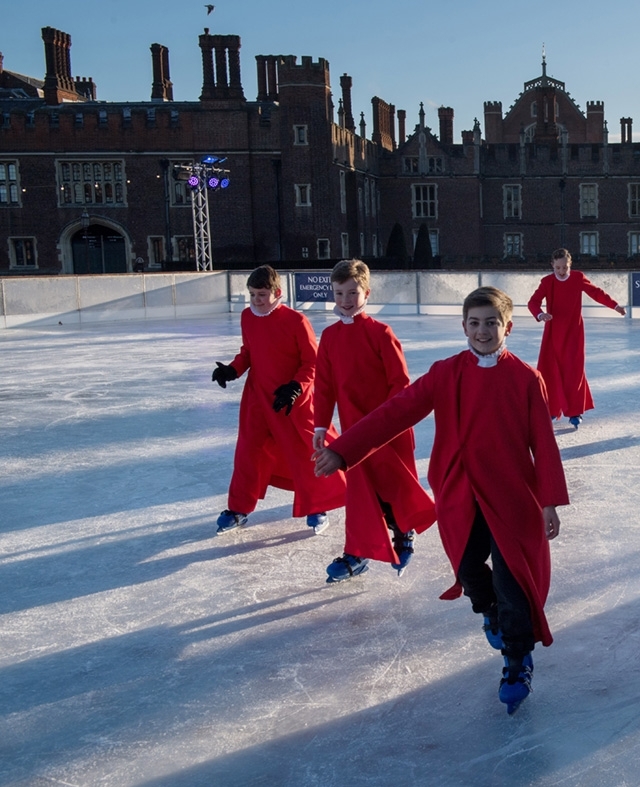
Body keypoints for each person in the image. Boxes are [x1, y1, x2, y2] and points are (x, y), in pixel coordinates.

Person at [313, 287, 568, 714]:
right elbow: (395, 411)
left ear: (507, 326)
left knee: (512, 582)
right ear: (463, 326)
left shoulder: (525, 378)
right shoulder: (446, 372)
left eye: (491, 323)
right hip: (460, 495)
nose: (482, 331)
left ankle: (517, 659)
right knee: (469, 569)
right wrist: (345, 449)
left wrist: (549, 501)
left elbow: (544, 444)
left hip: (511, 498)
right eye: (474, 323)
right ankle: (487, 610)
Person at [313, 260, 436, 582]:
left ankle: (403, 533)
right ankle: (358, 550)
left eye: (352, 292)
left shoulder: (381, 333)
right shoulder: (328, 337)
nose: (346, 299)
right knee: (360, 493)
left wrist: (387, 421)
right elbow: (324, 387)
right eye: (339, 293)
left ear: (365, 293)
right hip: (353, 434)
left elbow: (400, 383)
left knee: (391, 487)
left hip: (388, 431)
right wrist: (321, 426)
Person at [211, 264, 346, 535]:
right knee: (248, 453)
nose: (256, 300)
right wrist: (232, 369)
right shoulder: (248, 317)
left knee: (306, 452)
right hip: (258, 399)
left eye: (261, 294)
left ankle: (318, 506)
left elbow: (312, 361)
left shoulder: (296, 321)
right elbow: (248, 352)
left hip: (293, 400)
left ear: (277, 293)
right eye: (252, 294)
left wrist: (295, 387)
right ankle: (239, 508)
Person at [527, 248, 627, 429]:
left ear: (570, 264)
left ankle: (575, 411)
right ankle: (551, 409)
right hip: (552, 333)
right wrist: (540, 315)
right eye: (557, 268)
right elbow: (533, 302)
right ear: (552, 265)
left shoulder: (577, 278)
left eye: (564, 267)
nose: (561, 271)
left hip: (574, 333)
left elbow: (596, 293)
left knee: (573, 370)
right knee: (549, 370)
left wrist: (615, 305)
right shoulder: (547, 282)